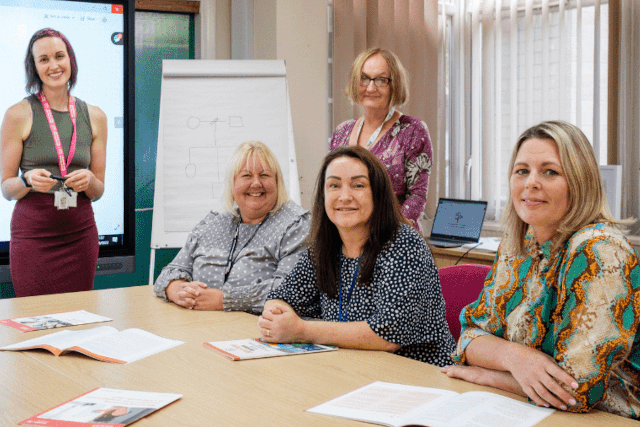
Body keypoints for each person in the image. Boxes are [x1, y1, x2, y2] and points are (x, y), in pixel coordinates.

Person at [442, 121, 640, 418]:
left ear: (579, 181)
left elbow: (577, 390)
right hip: (520, 409)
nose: (531, 182)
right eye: (522, 170)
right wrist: (513, 356)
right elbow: (469, 336)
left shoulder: (601, 251)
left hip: (606, 419)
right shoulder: (518, 243)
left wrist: (490, 376)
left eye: (550, 171)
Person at [258, 146, 455, 366]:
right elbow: (283, 297)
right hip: (352, 370)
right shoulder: (324, 248)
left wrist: (301, 330)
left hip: (419, 375)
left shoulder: (405, 244)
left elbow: (387, 334)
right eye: (334, 185)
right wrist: (274, 316)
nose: (344, 196)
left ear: (377, 194)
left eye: (358, 185)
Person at [0, 28, 107, 297]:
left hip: (80, 234)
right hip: (33, 237)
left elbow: (98, 191)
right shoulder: (17, 114)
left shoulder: (95, 116)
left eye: (59, 56)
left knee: (80, 317)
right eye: (43, 59)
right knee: (36, 320)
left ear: (70, 60)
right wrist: (25, 181)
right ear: (34, 67)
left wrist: (91, 181)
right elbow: (6, 188)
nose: (54, 65)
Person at [153, 141, 310, 314]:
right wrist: (178, 290)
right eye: (246, 176)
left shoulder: (296, 225)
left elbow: (294, 290)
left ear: (277, 183)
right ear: (233, 184)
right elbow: (172, 271)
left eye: (264, 175)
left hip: (259, 332)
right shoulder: (213, 223)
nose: (256, 183)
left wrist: (224, 300)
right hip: (199, 327)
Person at [330, 48, 432, 234]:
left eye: (381, 80)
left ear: (394, 84)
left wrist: (386, 233)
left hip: (394, 239)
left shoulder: (413, 131)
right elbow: (332, 188)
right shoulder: (341, 132)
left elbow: (417, 196)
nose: (370, 88)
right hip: (347, 238)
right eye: (364, 78)